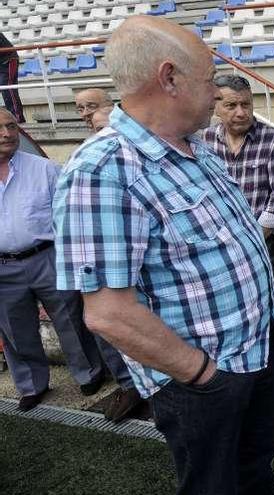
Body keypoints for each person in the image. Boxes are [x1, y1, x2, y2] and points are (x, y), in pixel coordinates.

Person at [53, 16, 274, 494]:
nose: (216, 92)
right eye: (208, 79)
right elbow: (108, 314)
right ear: (169, 78)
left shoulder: (195, 147)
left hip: (255, 352)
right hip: (204, 378)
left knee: (254, 471)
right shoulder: (102, 171)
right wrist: (202, 374)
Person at [0, 108, 105, 412]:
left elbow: (67, 217)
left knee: (70, 319)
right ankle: (32, 386)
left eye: (11, 126)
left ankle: (89, 374)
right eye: (0, 129)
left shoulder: (45, 169)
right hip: (3, 267)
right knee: (14, 328)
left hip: (47, 257)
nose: (7, 134)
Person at [72, 95, 146, 422]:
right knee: (107, 330)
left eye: (94, 108)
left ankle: (149, 389)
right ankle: (129, 386)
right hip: (100, 267)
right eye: (82, 110)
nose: (88, 116)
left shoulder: (136, 157)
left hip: (136, 267)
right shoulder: (84, 162)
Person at [204, 74, 274, 286]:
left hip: (264, 241)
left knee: (262, 304)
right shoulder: (204, 140)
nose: (241, 113)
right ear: (216, 105)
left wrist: (247, 240)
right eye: (231, 105)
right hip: (218, 243)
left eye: (246, 104)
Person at [0, 33, 24, 123]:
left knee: (8, 89)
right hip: (2, 62)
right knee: (7, 89)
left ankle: (16, 118)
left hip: (8, 60)